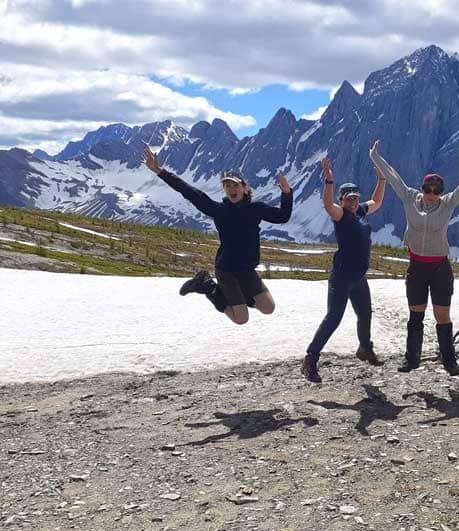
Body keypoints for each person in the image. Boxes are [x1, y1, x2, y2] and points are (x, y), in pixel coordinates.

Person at [369, 138, 459, 376]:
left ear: (442, 192)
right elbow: (393, 177)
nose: (432, 195)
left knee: (442, 316)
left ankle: (449, 361)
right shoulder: (409, 197)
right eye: (428, 190)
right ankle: (411, 360)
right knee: (416, 314)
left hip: (440, 268)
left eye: (437, 191)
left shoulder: (448, 203)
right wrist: (375, 156)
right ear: (422, 189)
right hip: (416, 268)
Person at [142, 147, 293, 324]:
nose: (231, 189)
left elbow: (282, 217)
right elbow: (189, 191)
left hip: (247, 271)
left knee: (268, 308)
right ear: (224, 189)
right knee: (241, 318)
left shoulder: (256, 209)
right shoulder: (218, 210)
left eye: (235, 185)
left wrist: (286, 193)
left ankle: (237, 296)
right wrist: (160, 171)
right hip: (226, 270)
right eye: (227, 186)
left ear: (245, 188)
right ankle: (207, 286)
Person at [301, 158, 387, 383]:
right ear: (342, 200)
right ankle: (310, 359)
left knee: (365, 314)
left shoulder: (360, 211)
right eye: (348, 198)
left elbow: (377, 202)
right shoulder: (340, 215)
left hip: (358, 277)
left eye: (355, 198)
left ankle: (365, 349)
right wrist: (329, 180)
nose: (353, 201)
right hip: (341, 277)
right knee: (334, 318)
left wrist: (382, 179)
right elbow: (328, 205)